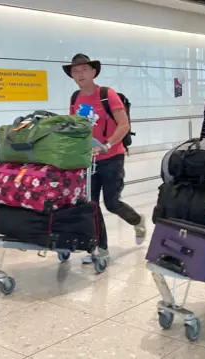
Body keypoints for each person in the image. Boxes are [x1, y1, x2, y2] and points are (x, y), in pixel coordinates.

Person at [64, 53, 147, 262]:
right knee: (91, 204)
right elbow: (76, 128)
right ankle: (101, 250)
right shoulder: (75, 98)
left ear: (93, 72)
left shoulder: (107, 94)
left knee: (111, 203)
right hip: (88, 161)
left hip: (112, 157)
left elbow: (124, 124)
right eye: (75, 70)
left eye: (84, 69)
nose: (80, 74)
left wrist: (107, 145)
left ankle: (137, 220)